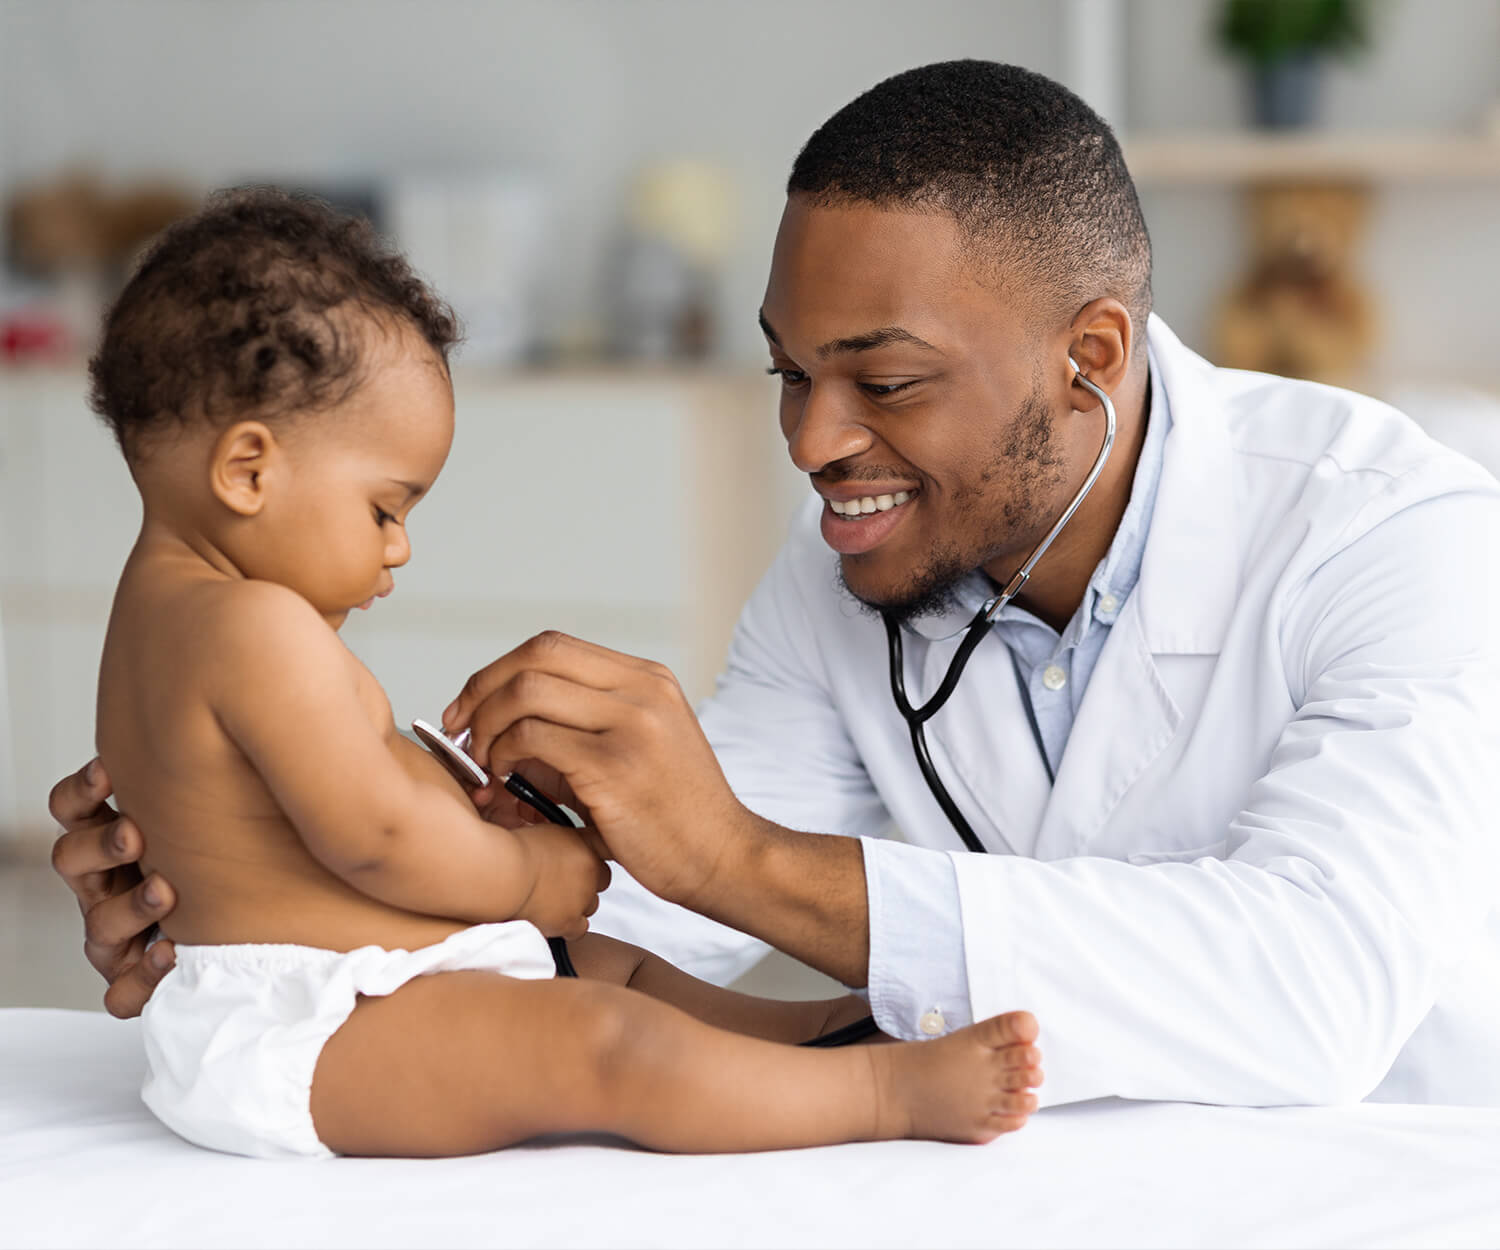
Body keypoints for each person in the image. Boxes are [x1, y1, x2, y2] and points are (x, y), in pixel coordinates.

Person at [53, 61, 1500, 1110]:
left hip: (1399, 1176)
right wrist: (259, 895)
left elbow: (1317, 991)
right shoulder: (843, 586)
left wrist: (734, 855)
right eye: (790, 374)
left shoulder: (1393, 536)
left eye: (884, 379)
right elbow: (619, 933)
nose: (813, 443)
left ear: (1094, 357)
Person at [58, 187, 1043, 1160]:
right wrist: (527, 875)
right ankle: (880, 1091)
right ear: (248, 471)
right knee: (600, 1043)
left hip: (346, 983)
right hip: (314, 1027)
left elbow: (308, 808)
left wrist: (463, 805)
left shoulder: (163, 616)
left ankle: (821, 1031)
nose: (399, 549)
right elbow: (376, 835)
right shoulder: (256, 625)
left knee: (608, 965)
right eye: (384, 508)